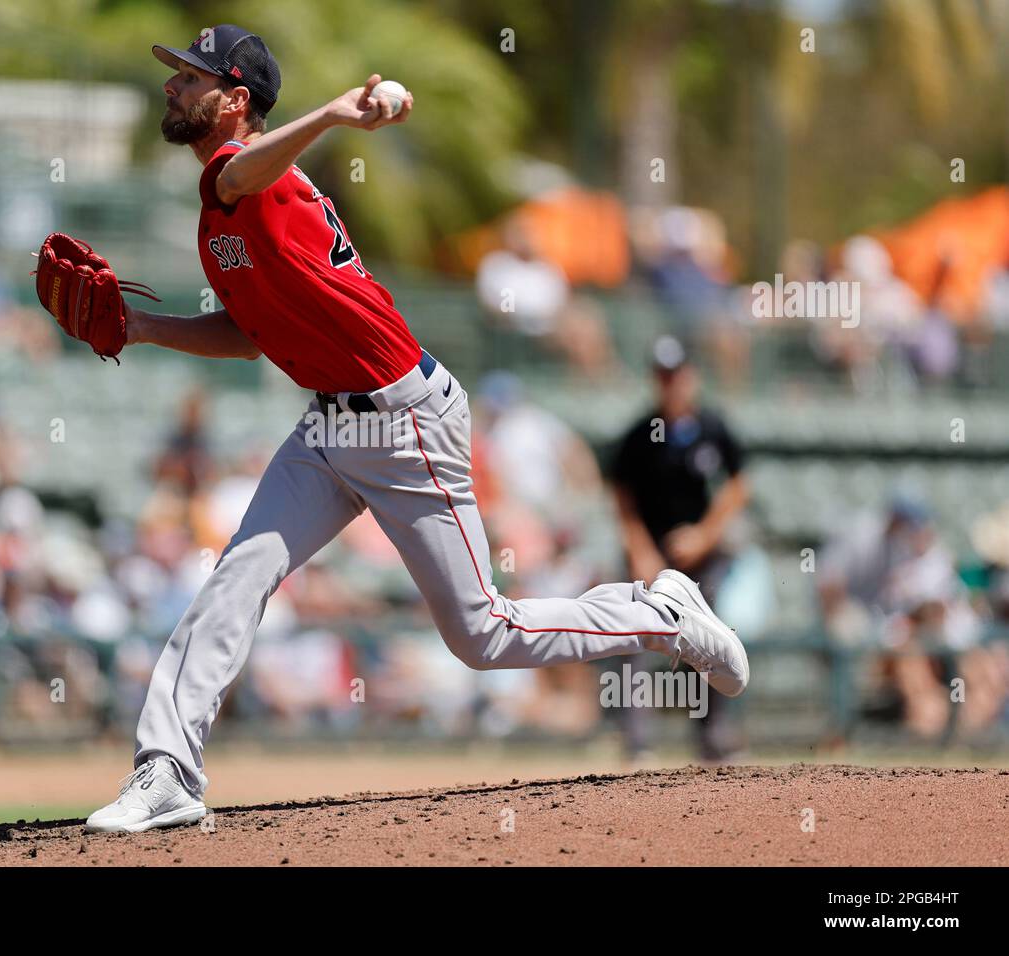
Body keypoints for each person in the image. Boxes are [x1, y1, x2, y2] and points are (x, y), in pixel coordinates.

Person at [80, 25, 750, 833]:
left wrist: (332, 115)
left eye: (189, 78)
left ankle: (659, 612)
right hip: (330, 427)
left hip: (406, 422)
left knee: (482, 634)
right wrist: (145, 328)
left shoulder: (251, 179)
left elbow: (245, 171)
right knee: (235, 579)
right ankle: (166, 773)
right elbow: (251, 332)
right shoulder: (226, 209)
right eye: (174, 77)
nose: (171, 88)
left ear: (236, 99)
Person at [608, 336, 749, 761]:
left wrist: (706, 533)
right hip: (652, 558)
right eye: (663, 376)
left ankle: (714, 739)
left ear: (692, 376)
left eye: (677, 374)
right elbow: (622, 494)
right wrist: (640, 548)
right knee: (634, 640)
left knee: (707, 642)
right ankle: (638, 745)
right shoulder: (639, 434)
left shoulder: (713, 427)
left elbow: (739, 482)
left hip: (701, 560)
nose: (671, 383)